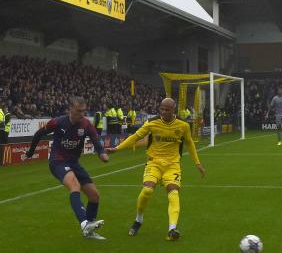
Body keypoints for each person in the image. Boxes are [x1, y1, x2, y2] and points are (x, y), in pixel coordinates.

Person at [111, 96, 205, 241]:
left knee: (173, 193)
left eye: (167, 110)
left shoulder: (183, 125)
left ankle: (172, 229)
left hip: (173, 165)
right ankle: (139, 220)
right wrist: (117, 148)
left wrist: (197, 163)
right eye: (162, 109)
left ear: (173, 110)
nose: (163, 112)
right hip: (153, 163)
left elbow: (190, 143)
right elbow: (135, 137)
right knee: (147, 190)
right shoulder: (152, 123)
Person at [23, 96, 110, 239]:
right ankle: (84, 223)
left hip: (74, 163)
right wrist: (30, 152)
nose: (82, 114)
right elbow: (39, 134)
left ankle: (89, 231)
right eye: (78, 111)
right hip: (58, 162)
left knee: (94, 195)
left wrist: (101, 153)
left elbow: (96, 140)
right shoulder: (57, 122)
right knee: (74, 185)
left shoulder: (86, 125)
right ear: (70, 109)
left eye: (84, 111)